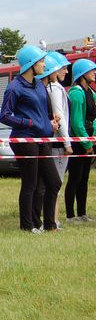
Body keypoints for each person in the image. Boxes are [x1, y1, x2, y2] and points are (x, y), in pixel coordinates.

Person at [0, 45, 61, 234]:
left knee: (53, 182)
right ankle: (28, 225)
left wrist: (49, 123)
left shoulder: (40, 86)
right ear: (30, 64)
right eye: (41, 61)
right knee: (30, 184)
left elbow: (41, 113)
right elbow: (5, 116)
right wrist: (29, 123)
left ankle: (48, 224)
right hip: (25, 140)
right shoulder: (14, 88)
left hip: (42, 139)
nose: (44, 64)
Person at [38, 52, 72, 228]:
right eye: (63, 68)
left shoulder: (54, 88)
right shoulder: (55, 89)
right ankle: (52, 220)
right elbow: (61, 117)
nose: (66, 71)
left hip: (54, 141)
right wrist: (67, 142)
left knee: (52, 184)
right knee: (55, 183)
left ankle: (52, 220)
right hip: (58, 143)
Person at [65, 58, 96, 223]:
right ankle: (70, 216)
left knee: (84, 179)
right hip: (79, 142)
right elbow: (77, 123)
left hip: (89, 139)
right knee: (75, 179)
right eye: (92, 70)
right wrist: (87, 144)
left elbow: (94, 118)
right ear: (82, 74)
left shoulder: (91, 91)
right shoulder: (76, 93)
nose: (94, 73)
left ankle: (82, 214)